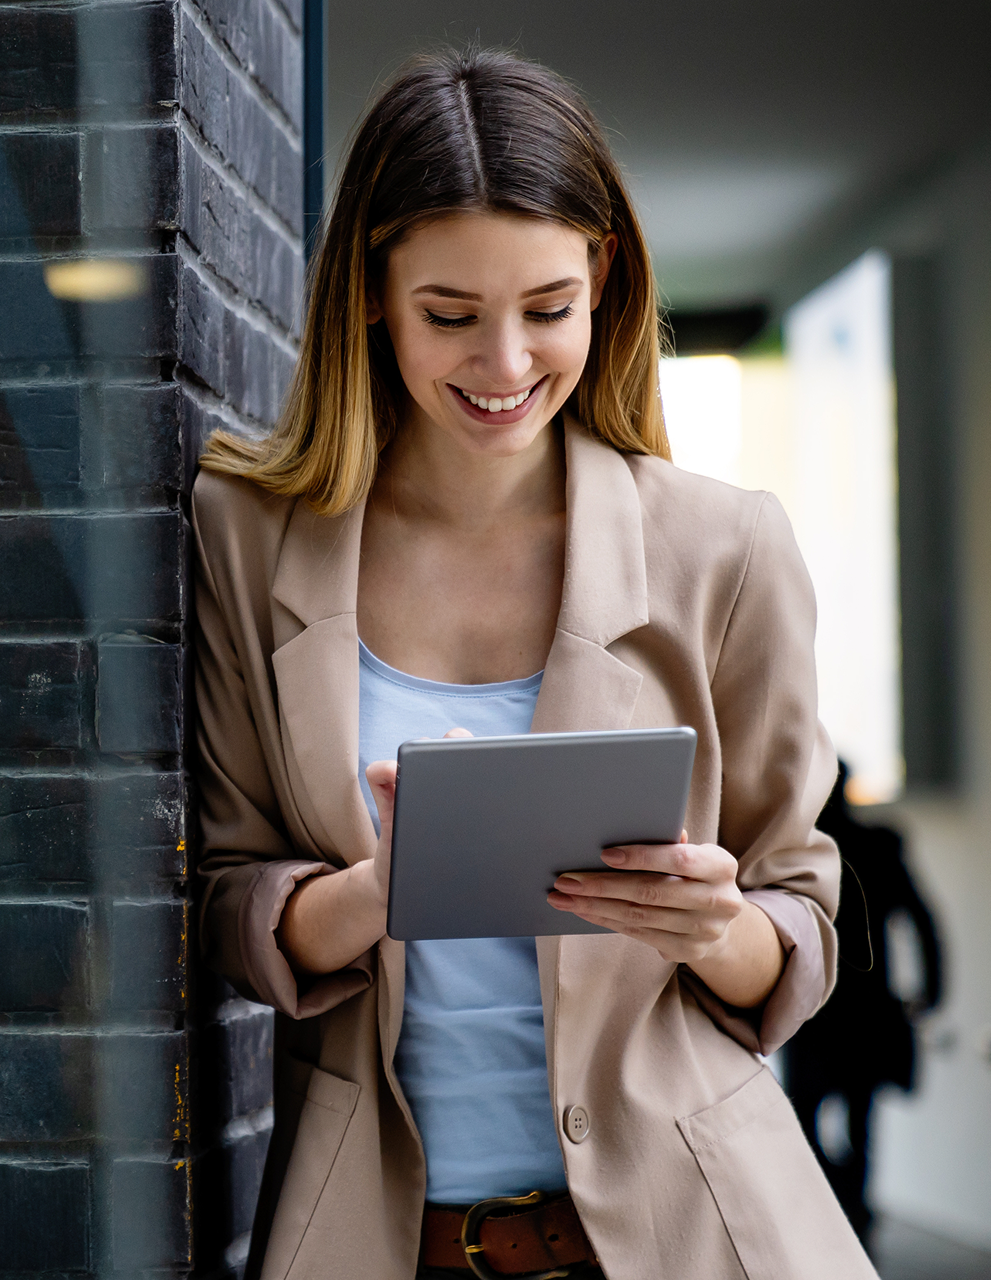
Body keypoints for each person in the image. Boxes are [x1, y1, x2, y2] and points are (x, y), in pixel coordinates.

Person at [190, 49, 874, 1280]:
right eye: (450, 315)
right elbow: (225, 889)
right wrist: (376, 889)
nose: (505, 366)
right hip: (381, 1240)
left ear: (604, 278)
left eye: (548, 309)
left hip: (693, 1231)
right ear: (370, 294)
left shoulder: (725, 546)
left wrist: (714, 921)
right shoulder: (250, 537)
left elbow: (798, 922)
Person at [786, 760, 944, 1245]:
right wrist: (932, 990)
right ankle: (853, 1208)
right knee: (855, 1124)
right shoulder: (872, 842)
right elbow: (922, 919)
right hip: (845, 1011)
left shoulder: (805, 845)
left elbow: (919, 918)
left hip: (815, 1011)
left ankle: (844, 1207)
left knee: (812, 1120)